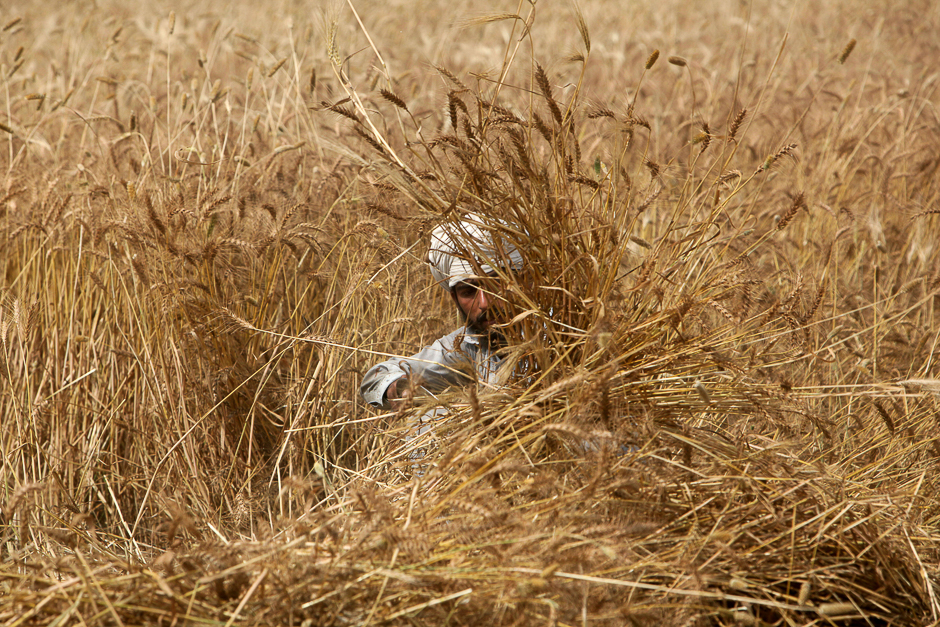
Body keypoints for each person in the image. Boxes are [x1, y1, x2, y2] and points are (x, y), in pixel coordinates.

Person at [360, 217, 523, 411]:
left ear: (525, 281)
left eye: (496, 285)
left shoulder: (563, 332)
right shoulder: (467, 346)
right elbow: (375, 378)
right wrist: (400, 386)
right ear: (455, 299)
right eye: (468, 292)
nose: (484, 303)